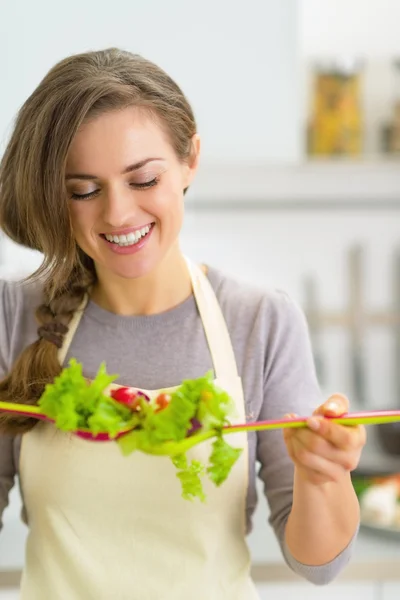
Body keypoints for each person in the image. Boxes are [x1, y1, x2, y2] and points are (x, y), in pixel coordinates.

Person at [0, 48, 365, 599]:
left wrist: (324, 475)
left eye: (143, 180)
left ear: (190, 158)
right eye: (84, 190)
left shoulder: (261, 321)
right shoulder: (13, 317)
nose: (118, 213)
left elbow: (317, 564)